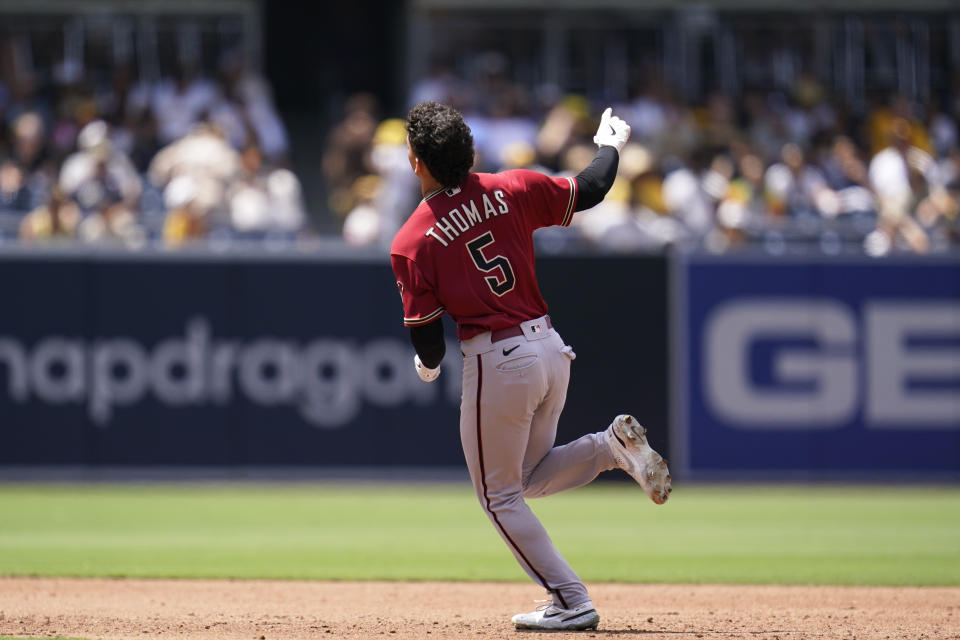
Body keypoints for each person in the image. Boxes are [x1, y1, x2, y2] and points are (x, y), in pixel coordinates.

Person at [390, 102, 672, 632]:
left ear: (415, 162)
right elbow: (591, 189)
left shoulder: (412, 239)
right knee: (525, 480)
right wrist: (610, 143)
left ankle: (569, 598)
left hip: (499, 360)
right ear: (470, 152)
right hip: (548, 348)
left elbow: (427, 342)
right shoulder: (510, 187)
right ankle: (611, 447)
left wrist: (427, 367)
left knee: (496, 497)